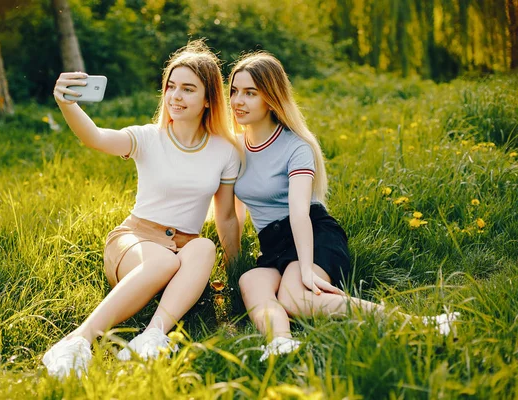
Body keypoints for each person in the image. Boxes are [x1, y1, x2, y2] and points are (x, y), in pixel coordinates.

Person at [229, 52, 458, 361]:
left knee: (295, 297)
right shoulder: (235, 147)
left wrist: (307, 268)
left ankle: (423, 325)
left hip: (312, 233)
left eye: (250, 93)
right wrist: (234, 259)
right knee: (250, 282)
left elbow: (299, 212)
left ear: (271, 98)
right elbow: (234, 210)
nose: (238, 101)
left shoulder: (296, 146)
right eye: (234, 91)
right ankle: (281, 343)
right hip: (273, 245)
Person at [42, 40, 241, 378]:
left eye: (188, 89)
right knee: (163, 260)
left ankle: (152, 337)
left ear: (209, 100)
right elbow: (96, 137)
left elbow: (224, 217)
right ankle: (76, 341)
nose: (175, 96)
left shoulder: (225, 151)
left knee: (204, 246)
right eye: (171, 87)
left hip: (184, 247)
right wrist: (66, 104)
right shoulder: (148, 137)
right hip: (135, 240)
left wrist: (235, 275)